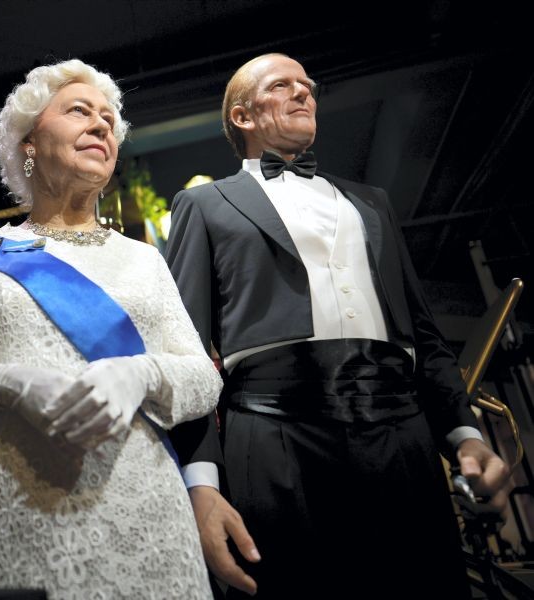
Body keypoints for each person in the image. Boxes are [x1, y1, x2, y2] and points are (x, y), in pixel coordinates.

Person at [165, 53, 511, 599]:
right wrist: (201, 482)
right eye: (283, 86)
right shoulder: (204, 204)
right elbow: (182, 352)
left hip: (403, 428)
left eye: (309, 86)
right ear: (242, 117)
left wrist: (464, 435)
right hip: (271, 430)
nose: (305, 93)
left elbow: (422, 335)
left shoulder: (372, 202)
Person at [0, 59, 221, 598]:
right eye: (79, 111)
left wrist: (142, 374)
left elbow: (204, 377)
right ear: (28, 143)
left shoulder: (144, 261)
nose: (102, 125)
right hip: (17, 516)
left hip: (147, 515)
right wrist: (4, 384)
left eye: (109, 119)